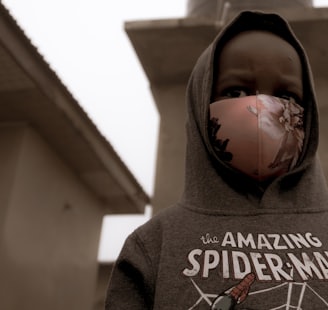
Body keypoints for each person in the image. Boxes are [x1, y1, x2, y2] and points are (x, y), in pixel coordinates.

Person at [105, 11, 328, 309]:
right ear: (201, 105)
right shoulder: (154, 244)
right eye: (235, 91)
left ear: (309, 115)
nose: (262, 109)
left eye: (288, 95)